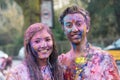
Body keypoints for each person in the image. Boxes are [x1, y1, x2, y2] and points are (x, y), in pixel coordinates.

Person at [58, 5, 120, 80]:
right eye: (69, 25)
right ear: (64, 29)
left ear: (87, 27)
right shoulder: (61, 63)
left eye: (79, 24)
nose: (74, 29)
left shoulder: (104, 58)